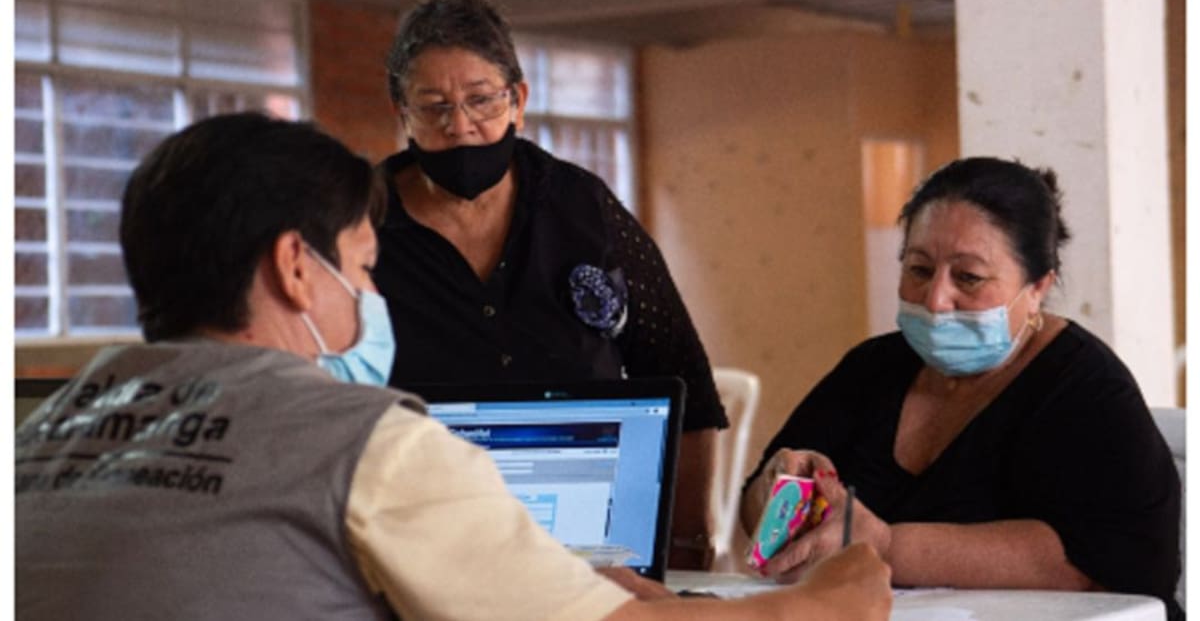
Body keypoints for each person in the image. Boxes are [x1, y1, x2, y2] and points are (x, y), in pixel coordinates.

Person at [15, 112, 891, 621]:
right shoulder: (363, 444)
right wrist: (826, 600)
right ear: (293, 268)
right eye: (362, 269)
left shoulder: (39, 430)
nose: (369, 298)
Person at [373, 0, 727, 569]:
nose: (460, 127)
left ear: (518, 101)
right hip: (422, 539)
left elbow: (680, 370)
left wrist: (687, 545)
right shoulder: (360, 223)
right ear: (402, 112)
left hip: (592, 535)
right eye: (433, 106)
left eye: (481, 101)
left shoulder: (580, 205)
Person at [739, 157, 1182, 619]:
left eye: (968, 278)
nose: (936, 299)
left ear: (1037, 287)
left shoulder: (1087, 389)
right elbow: (754, 502)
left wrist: (885, 544)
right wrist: (780, 494)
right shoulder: (871, 368)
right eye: (919, 269)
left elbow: (1109, 556)